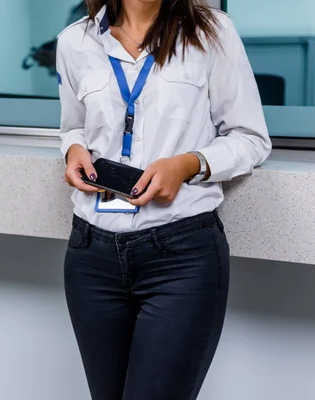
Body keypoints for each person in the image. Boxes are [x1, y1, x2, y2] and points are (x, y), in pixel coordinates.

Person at [57, 0, 271, 399]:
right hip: (91, 255)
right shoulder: (74, 41)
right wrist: (72, 150)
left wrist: (189, 164)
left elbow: (251, 139)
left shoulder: (212, 32)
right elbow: (72, 126)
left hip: (180, 257)